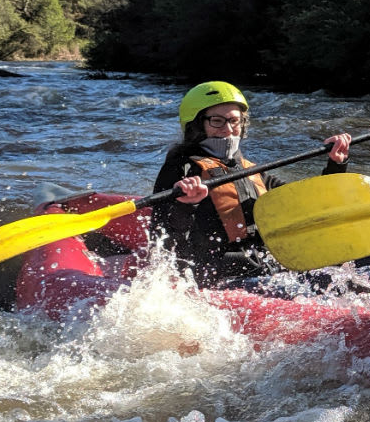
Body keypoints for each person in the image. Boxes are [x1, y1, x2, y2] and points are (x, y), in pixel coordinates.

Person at [150, 81, 356, 287]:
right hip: (219, 275)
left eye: (234, 121)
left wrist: (336, 164)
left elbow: (304, 201)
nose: (228, 129)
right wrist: (186, 204)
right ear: (197, 125)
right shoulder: (182, 168)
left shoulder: (249, 169)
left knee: (344, 271)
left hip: (262, 265)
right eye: (217, 121)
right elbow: (162, 237)